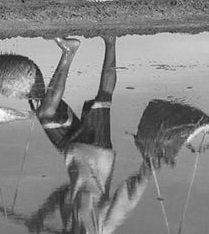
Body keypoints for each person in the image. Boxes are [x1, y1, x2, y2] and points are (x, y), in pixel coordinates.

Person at [30, 35, 151, 233]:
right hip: (97, 154)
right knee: (104, 97)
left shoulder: (69, 225)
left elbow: (62, 193)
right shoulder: (102, 228)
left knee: (45, 113)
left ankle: (69, 51)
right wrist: (144, 175)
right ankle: (111, 41)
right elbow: (125, 201)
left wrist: (42, 216)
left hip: (72, 152)